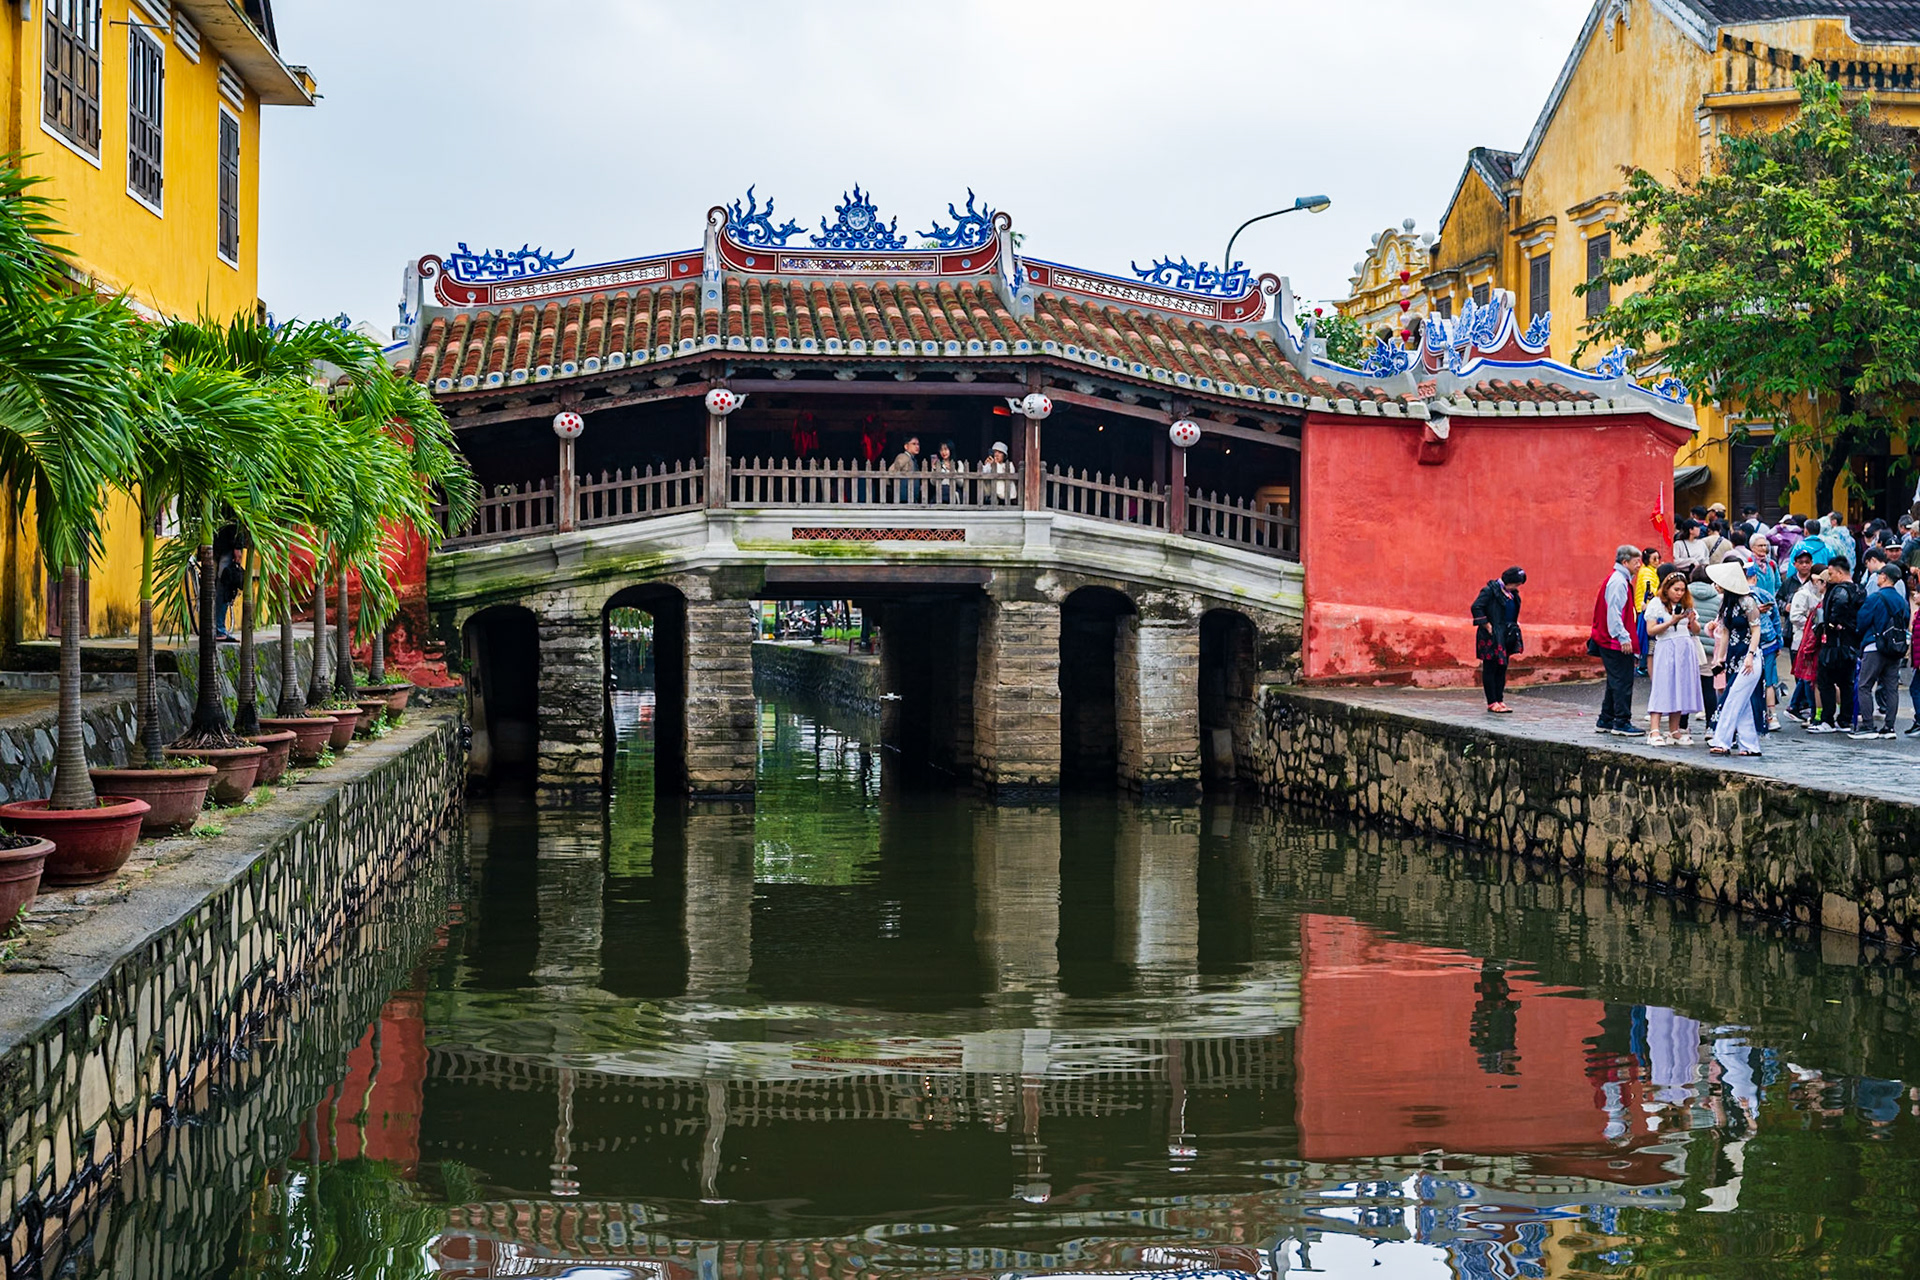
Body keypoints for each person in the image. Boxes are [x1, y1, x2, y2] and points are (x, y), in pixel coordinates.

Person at [1707, 562, 1767, 757]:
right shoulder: (1726, 604)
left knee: (1733, 698)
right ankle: (1750, 745)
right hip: (1734, 656)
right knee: (1743, 702)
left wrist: (1750, 655)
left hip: (1749, 656)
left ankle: (1722, 740)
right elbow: (1724, 632)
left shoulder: (1748, 602)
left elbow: (1756, 630)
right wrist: (1720, 658)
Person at [1851, 561, 1911, 739]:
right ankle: (1889, 727)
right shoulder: (1902, 601)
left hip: (1874, 646)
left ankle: (1868, 725)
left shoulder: (1875, 598)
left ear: (1884, 577)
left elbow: (1862, 621)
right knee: (1891, 688)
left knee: (1864, 685)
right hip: (1895, 649)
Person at [1644, 571, 1703, 745]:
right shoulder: (1656, 604)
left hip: (1685, 647)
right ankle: (1654, 730)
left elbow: (1697, 630)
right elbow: (1651, 630)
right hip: (1666, 646)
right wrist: (1672, 621)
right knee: (1663, 685)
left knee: (1681, 686)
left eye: (1682, 590)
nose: (1679, 593)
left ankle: (1674, 729)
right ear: (1667, 589)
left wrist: (1692, 621)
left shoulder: (1687, 604)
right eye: (1676, 589)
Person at [1591, 545, 1644, 736]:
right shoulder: (1618, 582)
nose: (1639, 565)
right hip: (1613, 640)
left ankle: (1606, 719)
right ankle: (1621, 721)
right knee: (1622, 681)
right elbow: (1614, 613)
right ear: (1625, 562)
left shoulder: (1619, 580)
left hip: (1609, 638)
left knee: (1615, 681)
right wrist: (1623, 637)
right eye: (1636, 561)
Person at [1811, 556, 1863, 733]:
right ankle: (1844, 719)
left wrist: (1833, 622)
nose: (1829, 577)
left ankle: (1827, 719)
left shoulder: (1839, 591)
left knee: (1825, 681)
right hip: (1851, 644)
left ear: (1840, 573)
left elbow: (1838, 608)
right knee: (1846, 683)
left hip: (1835, 643)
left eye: (1831, 573)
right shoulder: (1859, 589)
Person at [1472, 567, 1525, 713]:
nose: (1516, 587)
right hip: (1491, 636)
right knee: (1490, 667)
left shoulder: (1512, 594)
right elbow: (1477, 607)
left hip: (1506, 635)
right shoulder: (1490, 591)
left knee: (1502, 667)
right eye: (1516, 584)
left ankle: (1500, 700)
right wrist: (1487, 625)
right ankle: (1492, 702)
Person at [1784, 546, 1820, 723]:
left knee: (1806, 676)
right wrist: (1812, 623)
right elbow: (1794, 616)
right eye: (1802, 562)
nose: (1805, 566)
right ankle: (1798, 706)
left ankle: (1798, 706)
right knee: (1804, 676)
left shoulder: (1817, 592)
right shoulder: (1799, 590)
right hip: (1800, 639)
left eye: (1808, 562)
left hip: (1811, 640)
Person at [1633, 549, 1661, 675]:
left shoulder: (1650, 570)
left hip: (1647, 607)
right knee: (1646, 638)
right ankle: (1642, 665)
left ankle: (1643, 664)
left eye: (1658, 558)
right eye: (1654, 558)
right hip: (1645, 608)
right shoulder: (1646, 573)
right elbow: (1649, 590)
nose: (1657, 561)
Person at [888, 435, 921, 502]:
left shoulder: (914, 460)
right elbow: (891, 471)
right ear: (906, 446)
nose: (917, 446)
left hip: (912, 496)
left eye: (918, 444)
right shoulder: (903, 457)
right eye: (914, 444)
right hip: (904, 496)